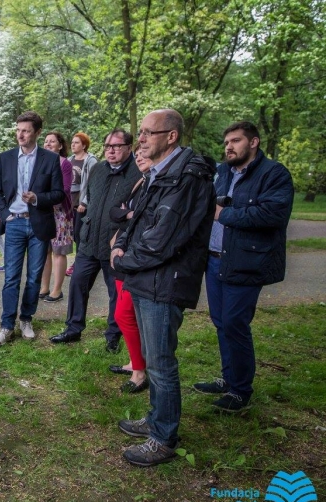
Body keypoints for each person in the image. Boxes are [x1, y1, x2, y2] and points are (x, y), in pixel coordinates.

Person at [112, 109, 215, 467]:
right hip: (146, 278)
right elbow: (135, 219)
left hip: (164, 282)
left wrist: (122, 260)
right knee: (154, 358)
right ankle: (157, 419)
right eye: (140, 132)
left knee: (160, 362)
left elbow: (162, 240)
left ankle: (163, 437)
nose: (140, 139)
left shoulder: (188, 177)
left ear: (171, 136)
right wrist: (118, 245)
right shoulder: (159, 172)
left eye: (147, 133)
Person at [194, 121, 294, 413]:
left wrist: (224, 214)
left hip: (246, 260)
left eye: (235, 141)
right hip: (214, 259)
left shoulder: (273, 173)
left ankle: (240, 391)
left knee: (235, 324)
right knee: (221, 322)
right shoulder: (222, 173)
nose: (229, 147)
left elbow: (272, 214)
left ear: (254, 142)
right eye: (226, 142)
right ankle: (229, 379)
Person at [50, 128, 141, 351]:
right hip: (90, 240)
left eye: (117, 146)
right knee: (78, 283)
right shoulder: (98, 169)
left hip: (116, 244)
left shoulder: (138, 172)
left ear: (129, 147)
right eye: (108, 146)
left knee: (115, 293)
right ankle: (73, 329)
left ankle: (113, 336)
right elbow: (88, 198)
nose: (111, 150)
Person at [0, 111, 63, 347]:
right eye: (18, 130)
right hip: (14, 223)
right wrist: (5, 215)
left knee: (33, 278)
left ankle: (26, 319)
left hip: (39, 223)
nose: (20, 135)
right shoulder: (6, 158)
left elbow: (58, 194)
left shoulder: (50, 159)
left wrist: (37, 198)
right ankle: (6, 325)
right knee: (11, 277)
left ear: (38, 133)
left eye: (26, 131)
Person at [109, 150, 149, 394]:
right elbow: (115, 210)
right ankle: (135, 361)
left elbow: (145, 220)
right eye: (138, 154)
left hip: (136, 257)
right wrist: (129, 215)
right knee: (126, 315)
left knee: (124, 314)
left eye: (145, 153)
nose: (140, 157)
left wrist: (128, 215)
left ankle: (140, 372)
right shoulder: (140, 181)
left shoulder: (158, 183)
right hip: (122, 253)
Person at [38, 131, 74, 303]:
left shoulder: (65, 164)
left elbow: (65, 189)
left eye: (52, 141)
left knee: (59, 252)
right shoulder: (40, 163)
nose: (48, 144)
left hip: (60, 214)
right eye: (46, 141)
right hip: (43, 212)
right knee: (44, 251)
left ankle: (57, 290)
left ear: (60, 146)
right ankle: (44, 287)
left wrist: (44, 196)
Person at [66, 132, 97, 277]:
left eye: (76, 142)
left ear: (84, 145)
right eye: (72, 142)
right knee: (72, 234)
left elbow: (93, 184)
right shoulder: (69, 160)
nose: (73, 145)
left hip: (82, 204)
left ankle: (78, 263)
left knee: (80, 234)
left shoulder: (90, 161)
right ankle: (82, 260)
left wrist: (85, 202)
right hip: (69, 203)